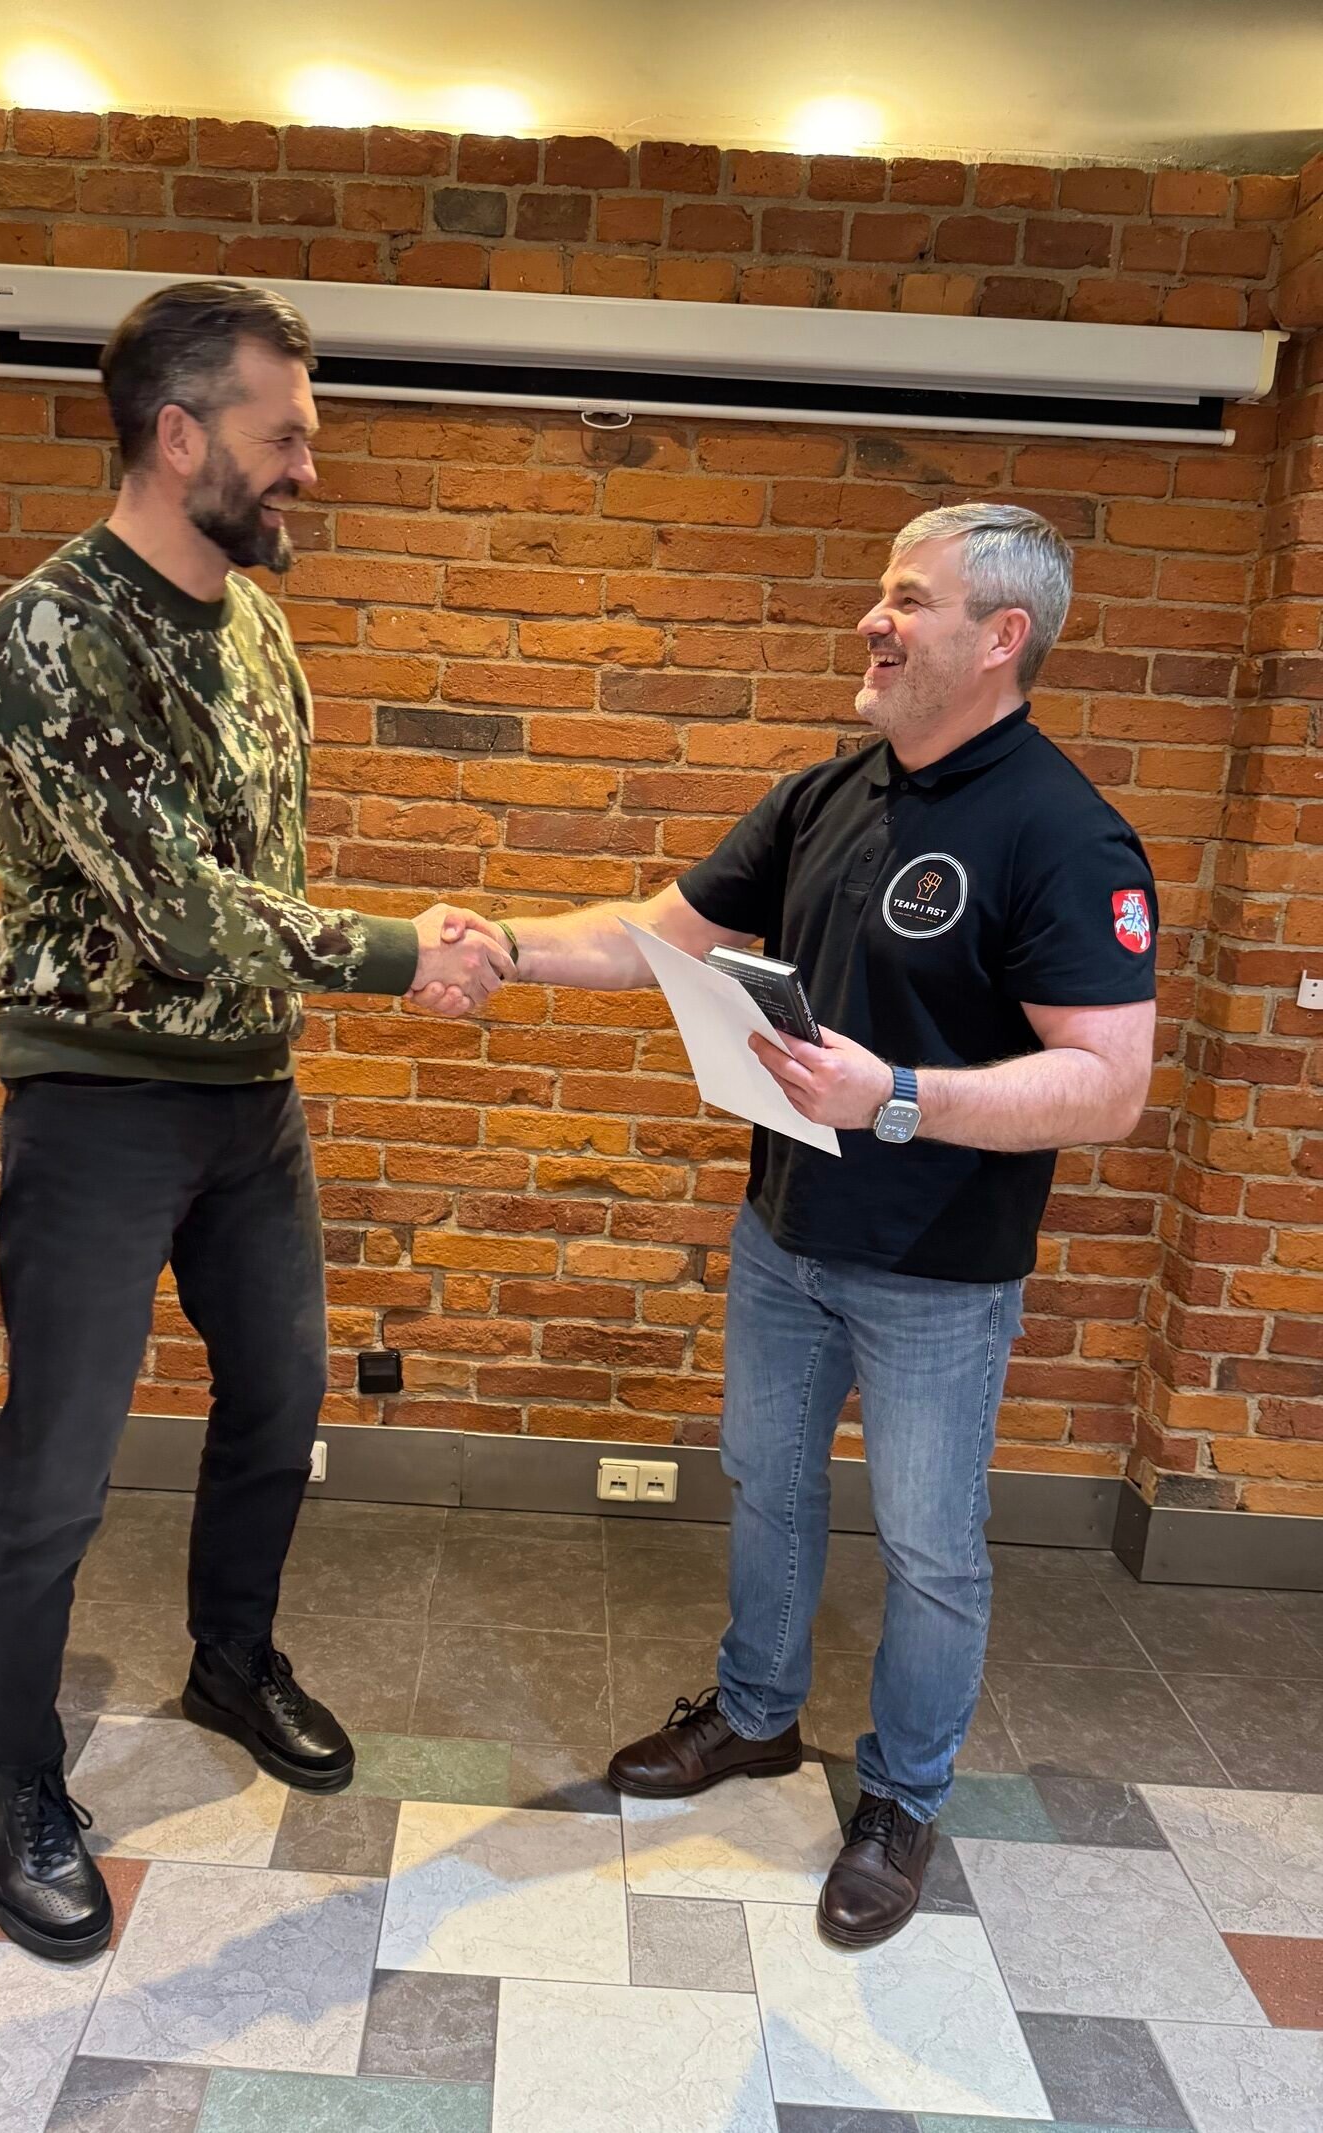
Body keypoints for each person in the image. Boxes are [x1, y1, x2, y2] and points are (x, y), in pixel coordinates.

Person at [421, 503, 1157, 1948]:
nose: (873, 621)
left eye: (909, 599)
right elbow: (656, 934)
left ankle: (902, 1797)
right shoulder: (830, 794)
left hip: (939, 1275)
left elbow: (1109, 1083)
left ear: (1001, 638)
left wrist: (899, 1097)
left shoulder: (1068, 835)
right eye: (881, 592)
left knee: (931, 1546)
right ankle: (757, 1715)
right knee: (766, 1482)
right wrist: (505, 944)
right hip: (785, 1235)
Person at [0, 280, 512, 1962]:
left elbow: (260, 878)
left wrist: (348, 969)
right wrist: (405, 951)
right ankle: (15, 1777)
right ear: (177, 434)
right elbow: (185, 912)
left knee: (281, 1397)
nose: (307, 470)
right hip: (99, 1104)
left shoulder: (260, 627)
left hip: (248, 1101)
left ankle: (229, 1654)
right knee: (59, 1458)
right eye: (284, 438)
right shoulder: (51, 632)